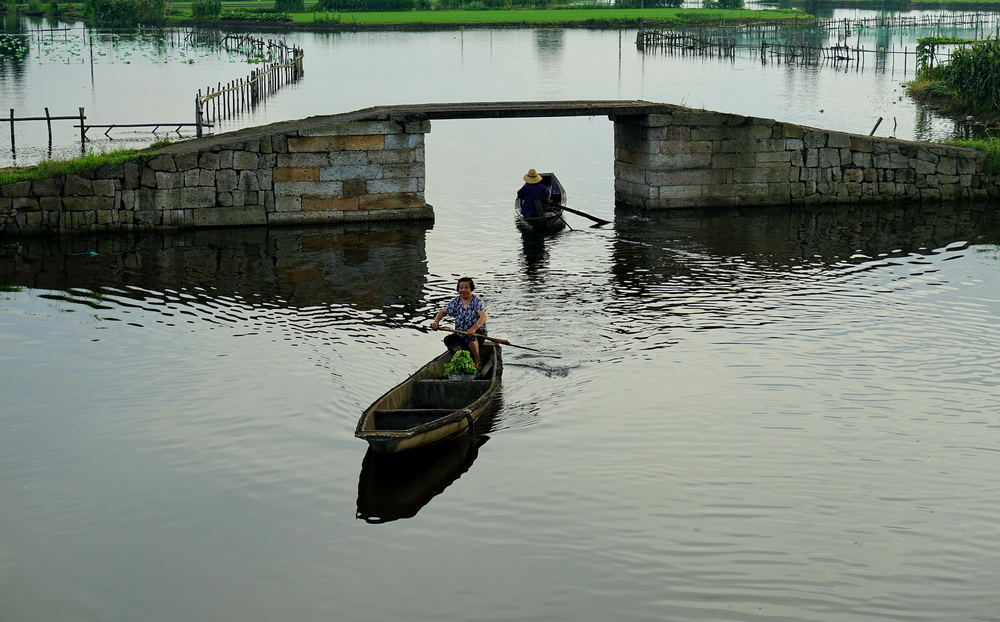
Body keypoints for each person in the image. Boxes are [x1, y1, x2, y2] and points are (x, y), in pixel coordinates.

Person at [430, 277, 488, 370]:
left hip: (477, 333)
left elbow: (483, 317)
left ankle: (478, 362)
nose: (463, 290)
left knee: (470, 338)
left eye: (466, 287)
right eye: (461, 288)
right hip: (461, 333)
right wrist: (436, 322)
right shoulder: (456, 301)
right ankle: (468, 360)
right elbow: (443, 312)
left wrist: (474, 328)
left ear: (471, 289)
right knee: (448, 340)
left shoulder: (477, 301)